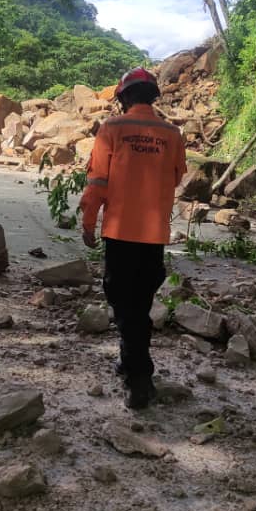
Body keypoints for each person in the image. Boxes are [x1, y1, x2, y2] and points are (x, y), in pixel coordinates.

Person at [80, 67, 187, 408]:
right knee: (138, 303)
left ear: (123, 98)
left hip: (120, 231)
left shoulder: (112, 129)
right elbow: (174, 178)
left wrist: (87, 224)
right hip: (153, 234)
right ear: (153, 96)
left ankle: (139, 378)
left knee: (126, 305)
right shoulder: (172, 134)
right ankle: (131, 363)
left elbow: (97, 184)